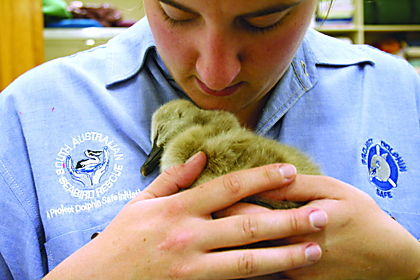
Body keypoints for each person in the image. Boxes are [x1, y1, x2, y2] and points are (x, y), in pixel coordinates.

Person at [1, 0, 419, 278]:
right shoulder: (24, 116)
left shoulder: (401, 95)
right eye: (176, 12)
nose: (215, 73)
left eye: (264, 19)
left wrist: (408, 265)